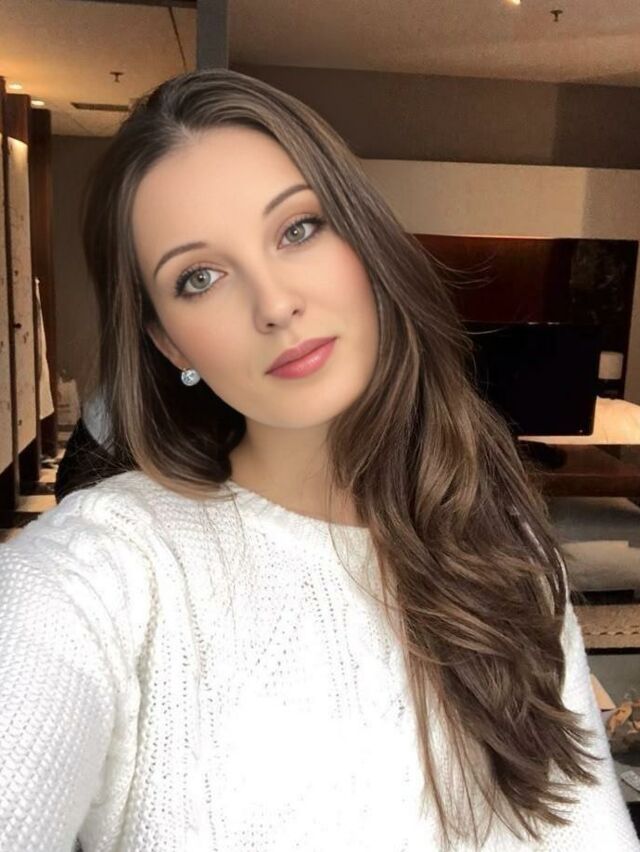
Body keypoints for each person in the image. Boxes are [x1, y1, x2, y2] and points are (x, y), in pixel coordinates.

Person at [0, 67, 637, 852]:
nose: (274, 304)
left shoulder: (506, 547)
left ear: (363, 242)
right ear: (169, 343)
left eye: (298, 229)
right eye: (199, 277)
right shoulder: (108, 569)